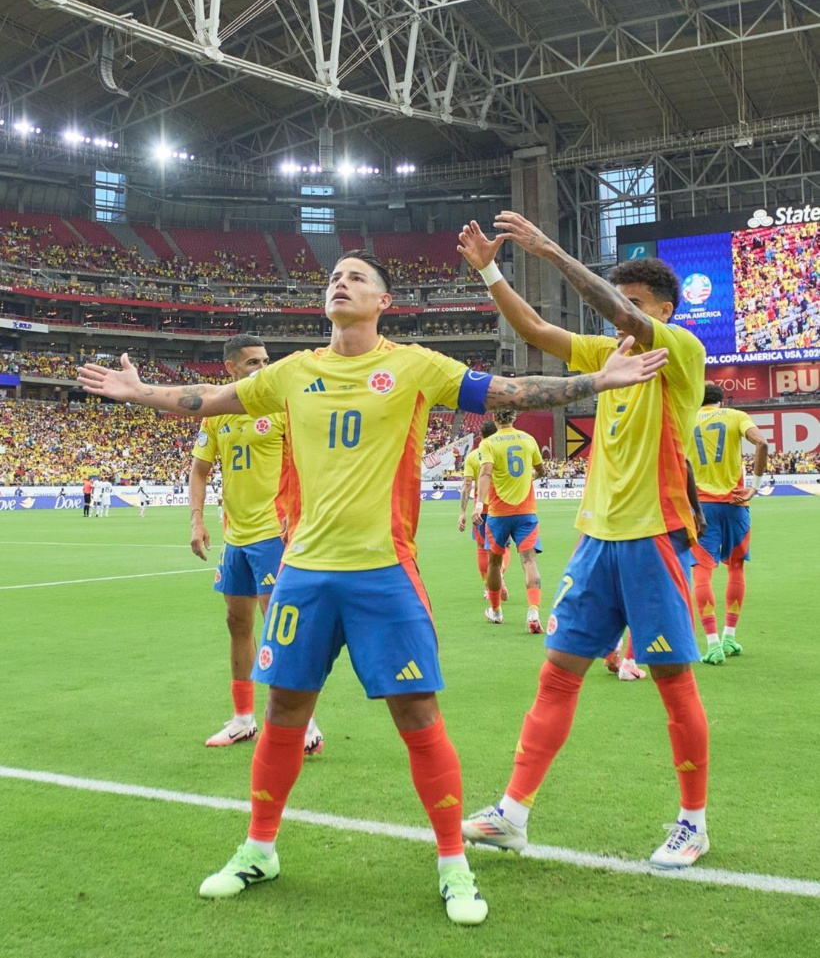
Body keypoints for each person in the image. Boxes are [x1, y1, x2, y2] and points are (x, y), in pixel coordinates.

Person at [77, 248, 667, 926]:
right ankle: (258, 848)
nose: (341, 281)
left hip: (384, 573)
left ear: (384, 302)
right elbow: (208, 400)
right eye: (334, 276)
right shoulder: (292, 373)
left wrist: (598, 380)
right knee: (284, 715)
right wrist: (140, 391)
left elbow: (505, 392)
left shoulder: (414, 364)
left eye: (357, 276)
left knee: (417, 715)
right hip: (302, 573)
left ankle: (453, 863)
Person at [457, 214, 709, 869]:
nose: (618, 320)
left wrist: (554, 252)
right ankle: (512, 813)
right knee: (558, 673)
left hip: (653, 535)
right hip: (596, 540)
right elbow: (537, 330)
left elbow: (608, 303)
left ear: (664, 311)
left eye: (634, 307)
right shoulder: (607, 356)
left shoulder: (679, 350)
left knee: (672, 680)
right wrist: (491, 270)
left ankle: (693, 822)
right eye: (618, 307)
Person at [189, 333, 323, 754]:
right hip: (235, 536)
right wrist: (196, 521)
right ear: (230, 368)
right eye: (253, 363)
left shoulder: (282, 408)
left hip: (273, 533)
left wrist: (299, 514)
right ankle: (244, 719)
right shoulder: (216, 414)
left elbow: (311, 463)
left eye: (266, 361)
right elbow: (199, 471)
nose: (263, 368)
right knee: (237, 624)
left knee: (278, 628)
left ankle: (306, 724)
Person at [687, 382, 769, 664]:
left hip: (700, 508)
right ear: (721, 402)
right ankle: (729, 637)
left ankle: (711, 645)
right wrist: (755, 486)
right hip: (736, 503)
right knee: (736, 568)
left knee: (702, 571)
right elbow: (762, 442)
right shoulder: (736, 416)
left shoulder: (685, 420)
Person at [472, 410, 547, 632]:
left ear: (495, 418)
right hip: (526, 511)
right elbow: (540, 470)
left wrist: (478, 504)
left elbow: (485, 473)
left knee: (495, 563)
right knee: (529, 561)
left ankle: (495, 611)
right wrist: (530, 477)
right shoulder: (528, 439)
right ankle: (533, 612)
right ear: (514, 417)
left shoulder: (489, 443)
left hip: (498, 513)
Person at [458, 419, 510, 608]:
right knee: (504, 548)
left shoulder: (472, 456)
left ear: (480, 436)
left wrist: (462, 512)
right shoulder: (501, 450)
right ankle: (500, 573)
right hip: (501, 506)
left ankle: (489, 586)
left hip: (481, 509)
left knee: (481, 547)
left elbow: (467, 485)